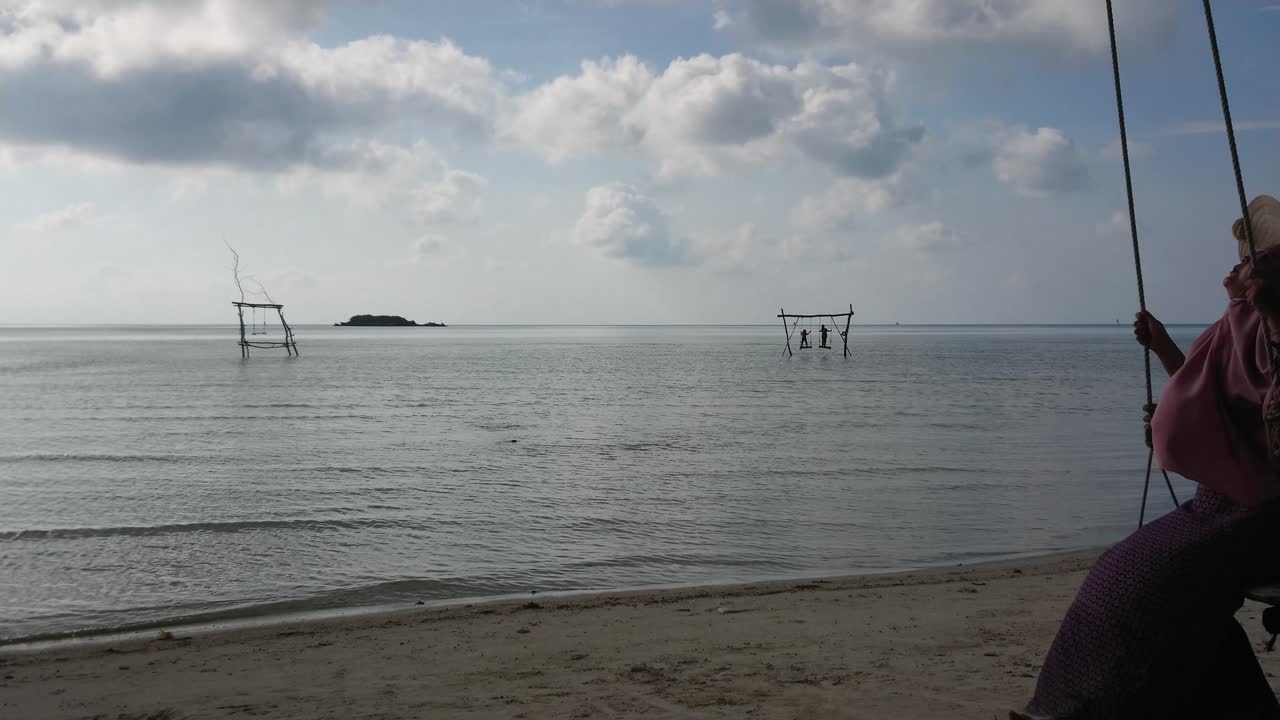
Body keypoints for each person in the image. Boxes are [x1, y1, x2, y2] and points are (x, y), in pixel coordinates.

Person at [1016, 195, 1280, 719]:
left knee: (1141, 588)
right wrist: (1163, 347)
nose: (1242, 268)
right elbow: (1218, 399)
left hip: (1260, 512)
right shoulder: (1249, 324)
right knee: (1125, 576)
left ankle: (1077, 711)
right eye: (1248, 256)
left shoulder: (1268, 326)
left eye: (1260, 258)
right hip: (1224, 505)